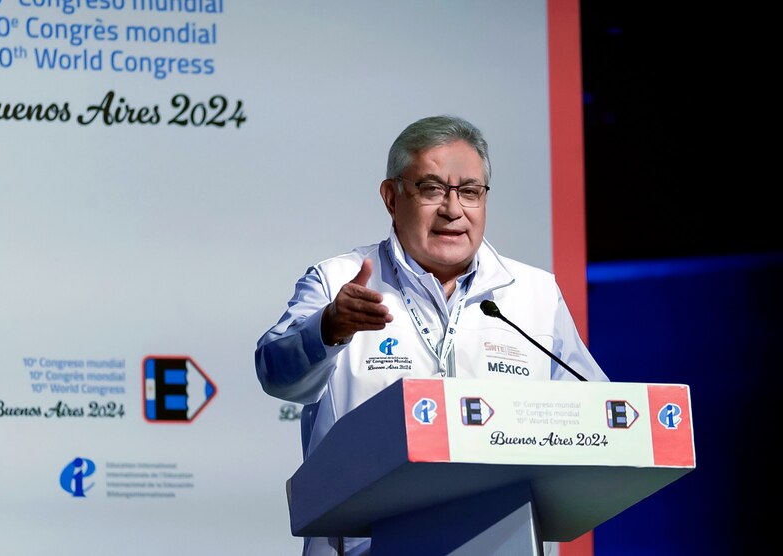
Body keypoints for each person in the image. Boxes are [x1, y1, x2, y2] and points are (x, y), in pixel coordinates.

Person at [255, 115, 609, 556]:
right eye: (432, 189)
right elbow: (275, 373)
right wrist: (328, 327)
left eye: (470, 192)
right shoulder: (338, 280)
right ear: (391, 196)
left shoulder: (534, 293)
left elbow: (594, 410)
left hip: (507, 541)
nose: (453, 210)